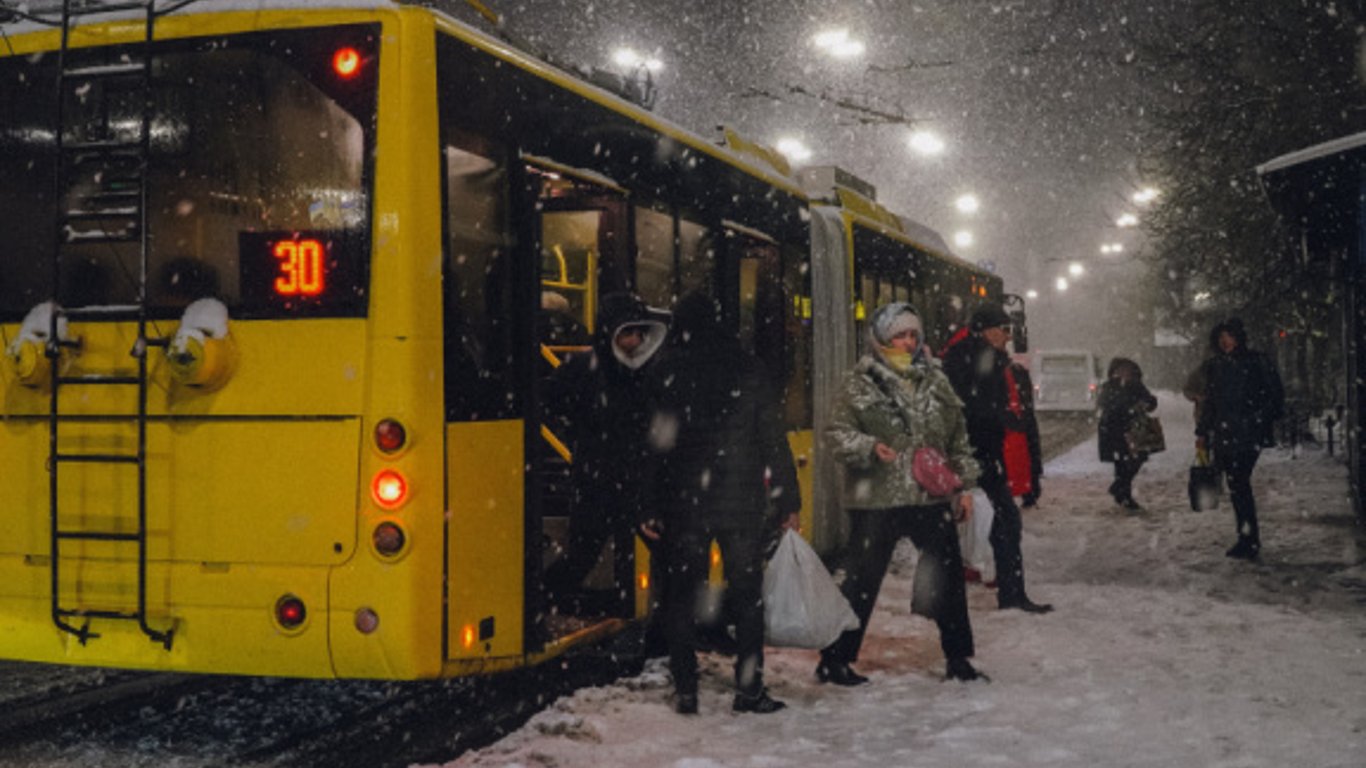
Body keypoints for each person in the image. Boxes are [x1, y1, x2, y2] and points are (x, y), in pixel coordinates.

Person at [641, 292, 800, 716]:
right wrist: (788, 497)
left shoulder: (666, 369)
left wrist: (648, 504)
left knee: (681, 596)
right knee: (747, 597)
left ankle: (686, 688)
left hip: (684, 503)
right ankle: (749, 690)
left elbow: (655, 447)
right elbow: (772, 438)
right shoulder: (749, 368)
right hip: (742, 503)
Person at [820, 302, 986, 685]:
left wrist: (965, 487)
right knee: (861, 582)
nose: (908, 342)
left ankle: (958, 657)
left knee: (947, 579)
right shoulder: (858, 383)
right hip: (876, 498)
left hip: (928, 497)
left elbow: (958, 438)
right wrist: (868, 447)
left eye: (913, 335)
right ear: (880, 338)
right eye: (899, 335)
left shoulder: (936, 382)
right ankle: (835, 659)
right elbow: (836, 434)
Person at [542, 292, 668, 610]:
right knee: (586, 557)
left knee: (588, 557)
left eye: (639, 333)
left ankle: (544, 603)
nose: (636, 340)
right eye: (628, 332)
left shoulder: (590, 368)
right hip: (606, 482)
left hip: (615, 481)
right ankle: (543, 603)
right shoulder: (616, 372)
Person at [941, 303, 1053, 614]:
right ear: (987, 330)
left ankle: (1010, 593)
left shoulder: (974, 357)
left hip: (981, 455)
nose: (1007, 337)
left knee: (998, 524)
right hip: (975, 456)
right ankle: (1010, 593)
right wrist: (1000, 418)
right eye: (1004, 330)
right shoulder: (972, 359)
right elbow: (967, 409)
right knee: (1002, 523)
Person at [1196, 318, 1285, 560]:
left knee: (1239, 482)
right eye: (1221, 338)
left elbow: (1274, 397)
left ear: (1238, 338)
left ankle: (1248, 538)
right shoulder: (1217, 366)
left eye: (1229, 336)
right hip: (1226, 434)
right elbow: (1211, 402)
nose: (1225, 342)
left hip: (1246, 434)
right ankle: (1247, 536)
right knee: (1237, 485)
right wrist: (1202, 432)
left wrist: (1256, 419)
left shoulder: (1255, 362)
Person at [1097, 357, 1159, 511]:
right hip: (1115, 430)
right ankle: (1124, 495)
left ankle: (1120, 488)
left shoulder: (1136, 385)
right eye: (1120, 370)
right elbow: (1104, 404)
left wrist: (1145, 404)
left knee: (1135, 459)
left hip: (1134, 430)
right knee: (1122, 463)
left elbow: (1150, 402)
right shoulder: (1109, 387)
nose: (1123, 373)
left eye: (1126, 370)